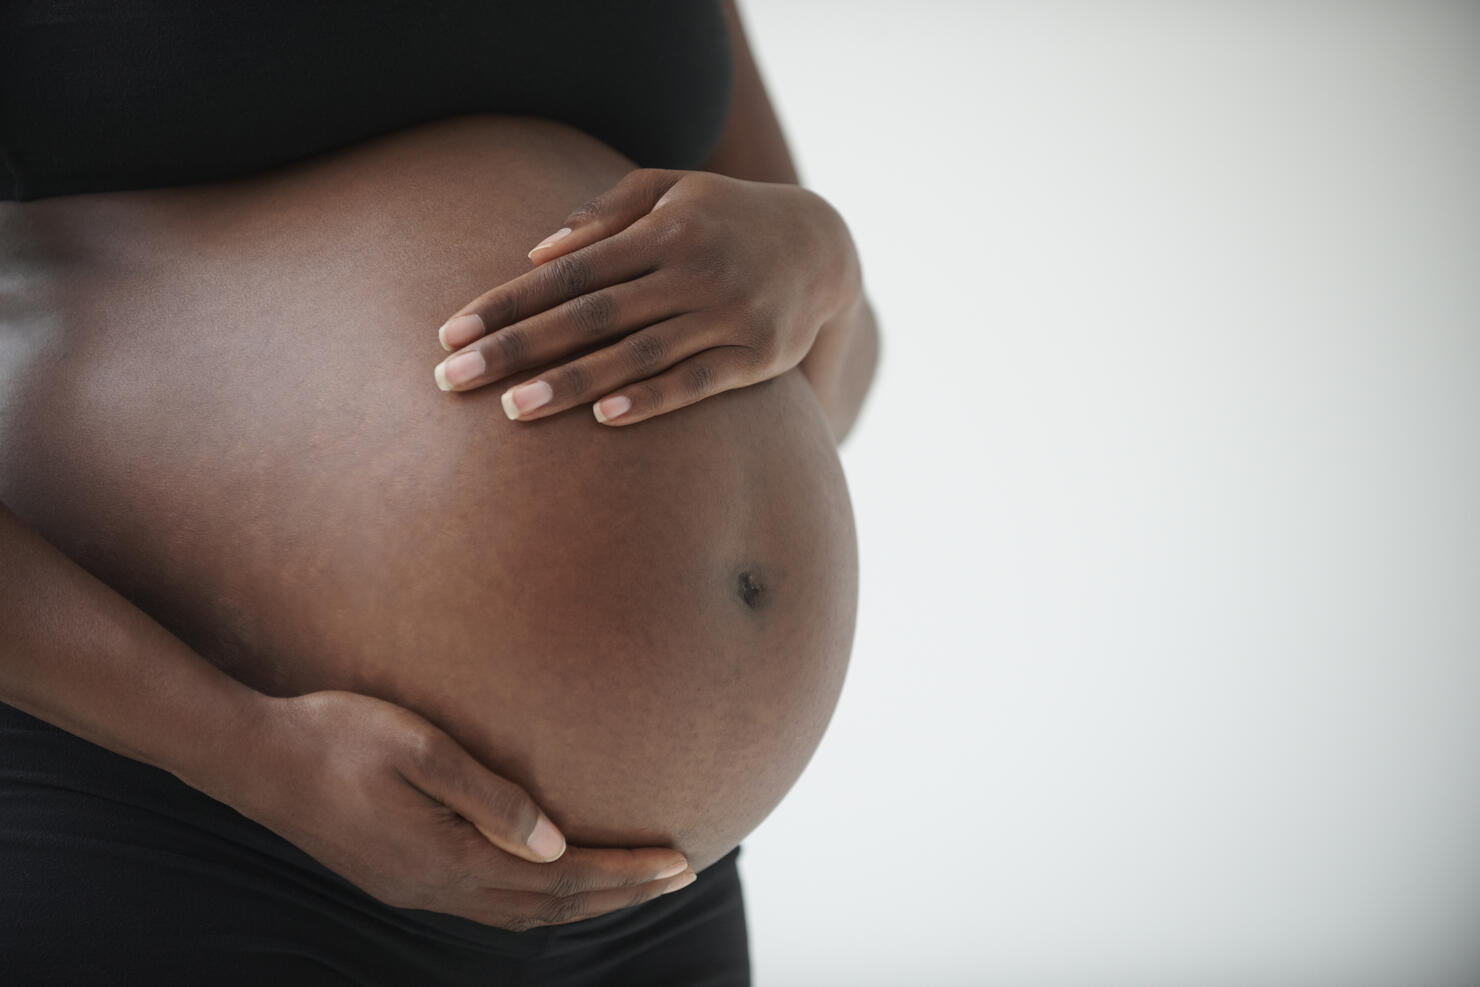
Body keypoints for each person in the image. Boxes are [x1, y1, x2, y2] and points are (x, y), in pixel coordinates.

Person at [0, 1, 879, 983]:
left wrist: (823, 265)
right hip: (192, 820)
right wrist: (249, 754)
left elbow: (821, 385)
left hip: (656, 902)